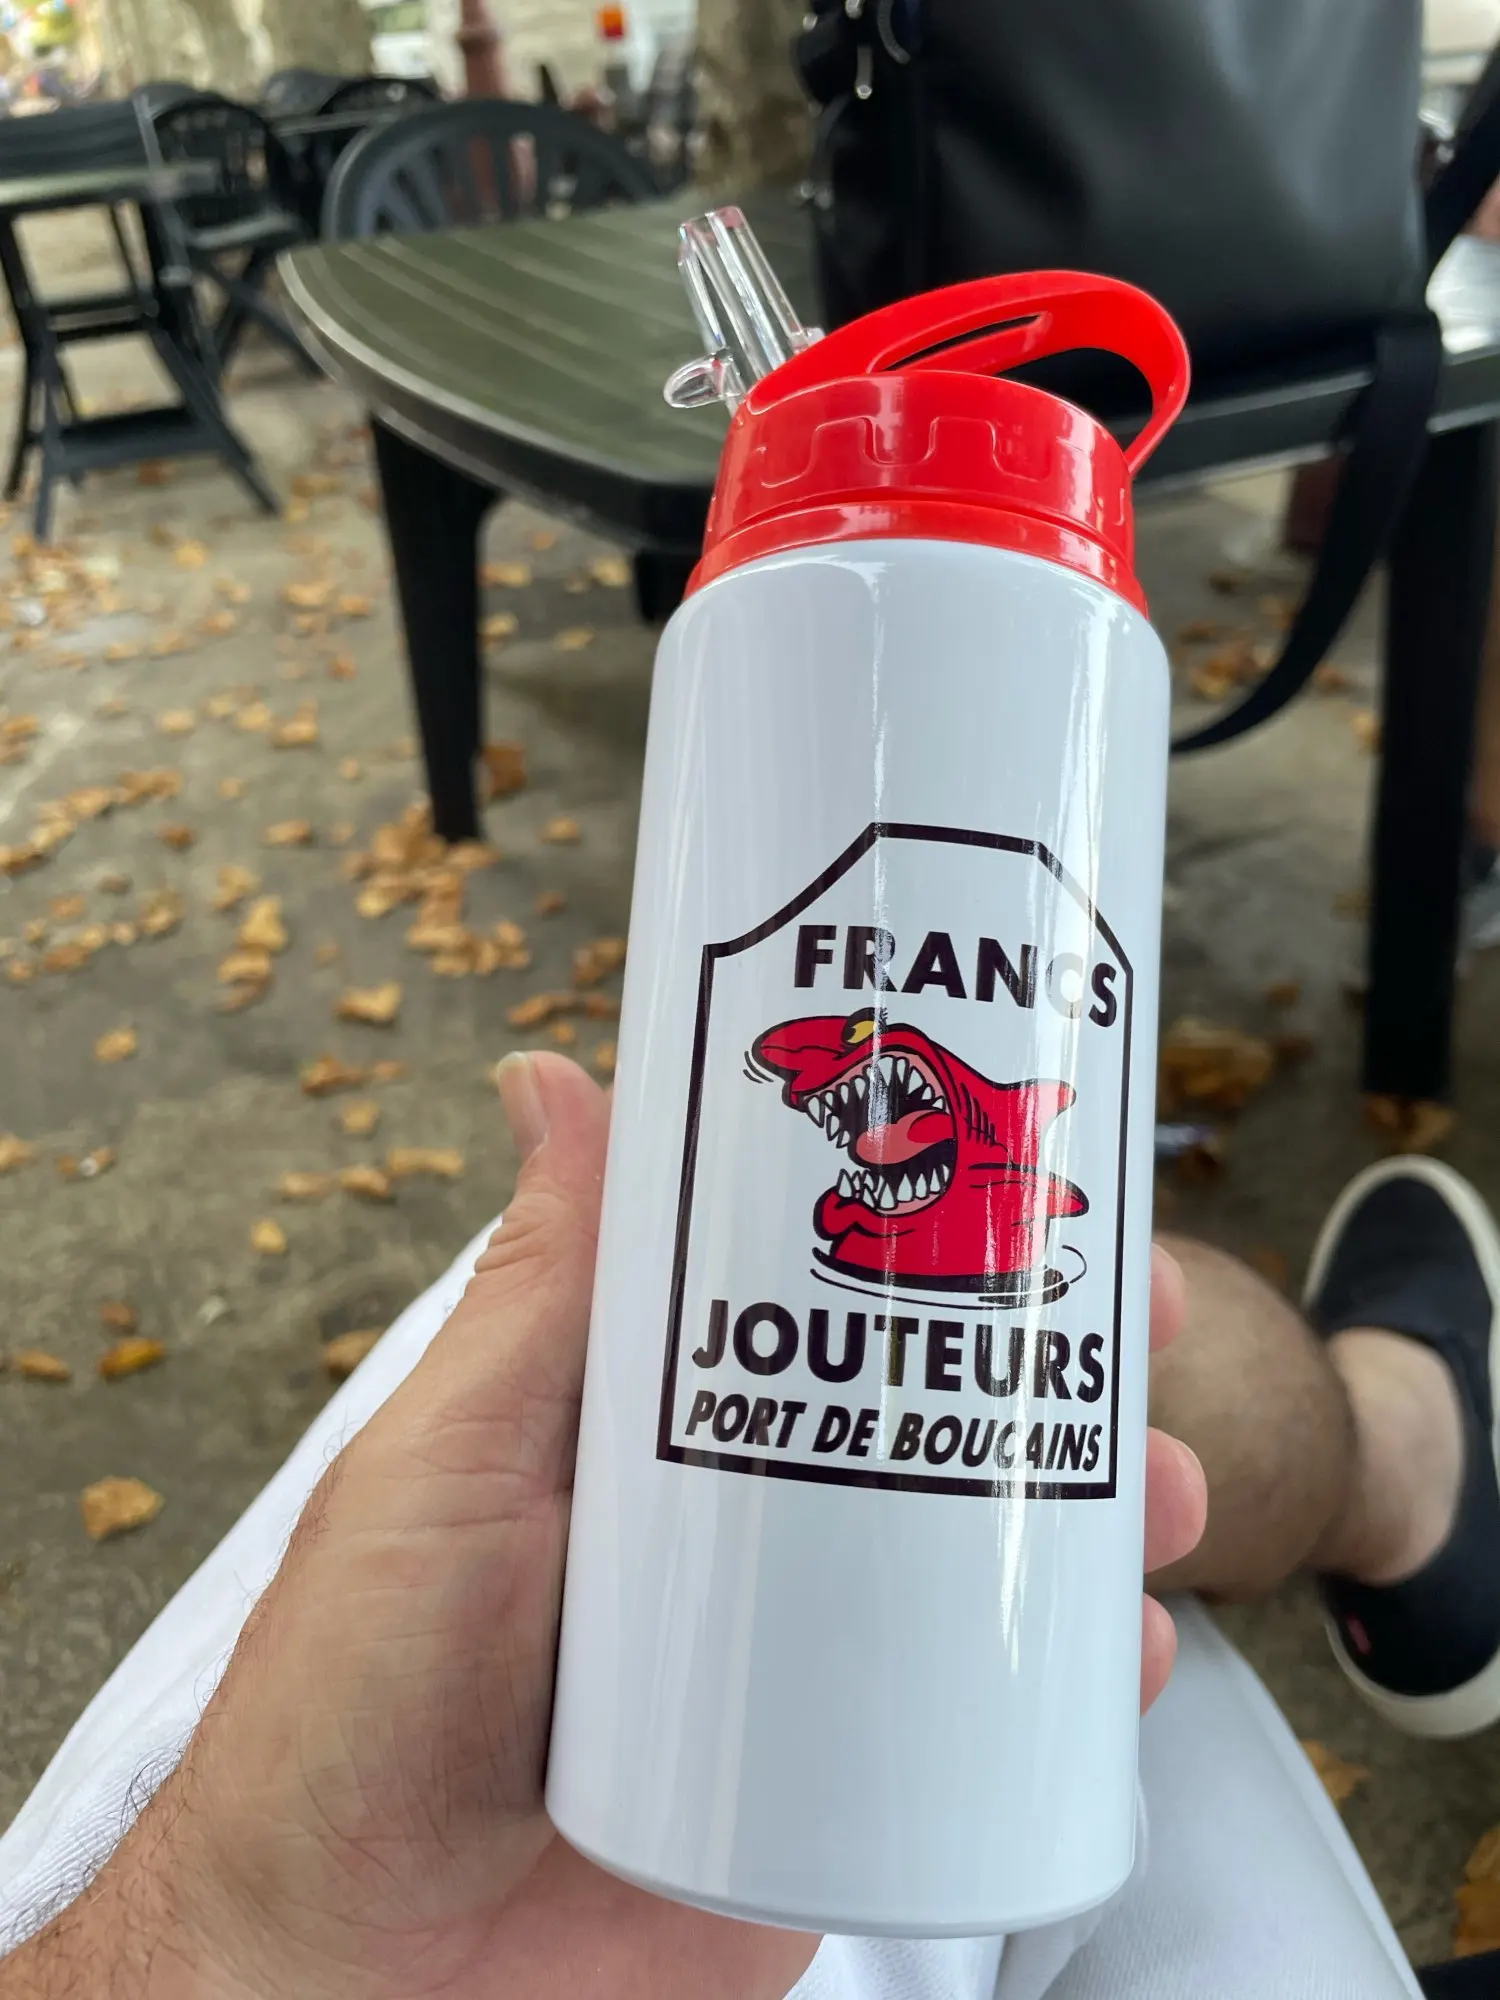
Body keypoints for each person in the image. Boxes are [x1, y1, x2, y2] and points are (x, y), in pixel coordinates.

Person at [1, 1050, 1494, 1997]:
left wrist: (251, 1941)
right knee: (1013, 1347)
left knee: (687, 1257)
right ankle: (1396, 1466)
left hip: (458, 1912)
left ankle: (1393, 1475)